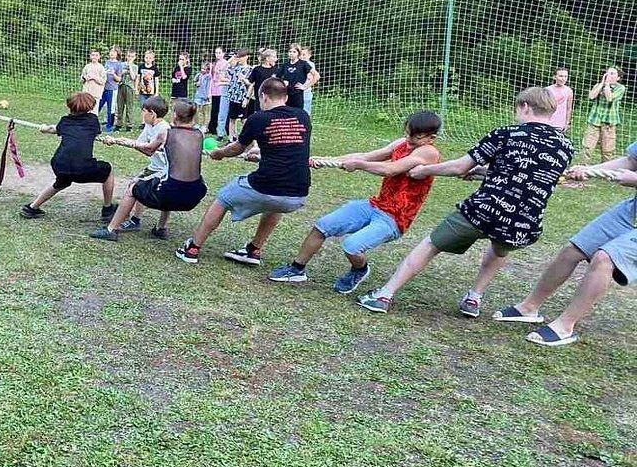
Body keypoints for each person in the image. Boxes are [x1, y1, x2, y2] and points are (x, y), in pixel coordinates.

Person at [357, 87, 574, 317]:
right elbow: (524, 173)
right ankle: (474, 298)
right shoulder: (566, 146)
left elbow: (460, 167)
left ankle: (384, 295)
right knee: (499, 251)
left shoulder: (506, 133)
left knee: (431, 245)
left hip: (483, 211)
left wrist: (425, 170)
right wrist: (480, 171)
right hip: (523, 223)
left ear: (525, 107)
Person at [268, 111, 443, 293]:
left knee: (351, 246)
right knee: (322, 226)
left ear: (431, 137)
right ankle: (297, 269)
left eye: (417, 137)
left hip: (394, 219)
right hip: (376, 205)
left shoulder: (429, 152)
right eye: (407, 133)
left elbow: (390, 169)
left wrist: (359, 165)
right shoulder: (402, 143)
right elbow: (365, 156)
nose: (409, 139)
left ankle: (360, 269)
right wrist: (328, 160)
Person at [491, 144, 637, 347]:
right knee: (573, 250)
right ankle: (529, 308)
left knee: (604, 258)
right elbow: (631, 161)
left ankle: (565, 326)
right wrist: (590, 170)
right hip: (632, 212)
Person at [176, 78, 310, 266]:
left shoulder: (258, 118)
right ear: (285, 98)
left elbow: (237, 148)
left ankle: (192, 248)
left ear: (263, 96)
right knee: (276, 205)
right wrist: (261, 152)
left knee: (223, 198)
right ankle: (253, 250)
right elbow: (287, 147)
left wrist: (219, 153)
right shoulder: (303, 116)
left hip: (266, 187)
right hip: (298, 194)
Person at [92, 99, 207, 241]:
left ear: (175, 115)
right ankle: (160, 228)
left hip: (170, 188)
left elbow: (149, 150)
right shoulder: (200, 134)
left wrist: (126, 141)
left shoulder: (166, 133)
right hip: (196, 192)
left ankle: (111, 229)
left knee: (133, 188)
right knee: (168, 181)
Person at [20, 91, 116, 221]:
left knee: (62, 181)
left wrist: (44, 128)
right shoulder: (92, 120)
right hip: (81, 168)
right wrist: (108, 140)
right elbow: (94, 132)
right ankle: (107, 209)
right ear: (90, 107)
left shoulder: (64, 121)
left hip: (59, 164)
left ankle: (32, 208)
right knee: (108, 169)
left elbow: (55, 129)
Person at [100, 95, 170, 232]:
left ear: (152, 114)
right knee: (136, 187)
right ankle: (137, 220)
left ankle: (156, 226)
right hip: (154, 167)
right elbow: (140, 145)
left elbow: (148, 150)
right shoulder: (149, 126)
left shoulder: (164, 129)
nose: (142, 115)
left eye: (144, 111)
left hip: (165, 170)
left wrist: (127, 142)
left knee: (136, 187)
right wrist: (119, 141)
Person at [581, 66, 625, 164]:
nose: (608, 75)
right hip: (594, 120)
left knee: (608, 150)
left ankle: (606, 170)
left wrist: (607, 85)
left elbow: (609, 98)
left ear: (618, 78)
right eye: (607, 73)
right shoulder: (598, 85)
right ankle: (583, 168)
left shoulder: (620, 88)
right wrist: (602, 84)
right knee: (587, 147)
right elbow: (591, 96)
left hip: (609, 123)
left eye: (612, 73)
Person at [224, 49, 253, 141]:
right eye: (238, 57)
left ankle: (247, 139)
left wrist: (246, 98)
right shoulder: (235, 68)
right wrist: (231, 59)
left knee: (243, 119)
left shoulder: (250, 69)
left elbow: (250, 85)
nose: (239, 59)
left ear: (246, 57)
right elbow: (223, 69)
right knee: (231, 119)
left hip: (242, 98)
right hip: (233, 97)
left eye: (241, 57)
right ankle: (231, 139)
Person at [280, 44, 317, 111]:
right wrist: (282, 82)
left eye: (294, 52)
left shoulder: (303, 64)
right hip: (286, 95)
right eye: (290, 51)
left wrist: (305, 87)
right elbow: (277, 77)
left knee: (300, 114)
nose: (291, 53)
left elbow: (316, 76)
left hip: (298, 95)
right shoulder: (285, 65)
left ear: (298, 53)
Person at [246, 49, 279, 117]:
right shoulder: (257, 69)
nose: (276, 59)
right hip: (260, 99)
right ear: (267, 58)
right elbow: (250, 83)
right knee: (260, 117)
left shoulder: (276, 70)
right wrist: (243, 80)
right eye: (274, 57)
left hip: (273, 99)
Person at [100, 46, 124, 132]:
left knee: (111, 108)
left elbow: (119, 79)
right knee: (99, 105)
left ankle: (110, 126)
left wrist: (113, 74)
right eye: (111, 51)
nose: (112, 53)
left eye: (114, 52)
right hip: (104, 88)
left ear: (117, 54)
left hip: (112, 89)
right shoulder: (107, 62)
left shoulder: (118, 64)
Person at [117, 49, 140, 132]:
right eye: (129, 56)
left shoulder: (135, 67)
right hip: (121, 86)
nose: (130, 58)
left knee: (129, 107)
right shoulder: (121, 64)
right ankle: (118, 124)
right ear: (126, 56)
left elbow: (133, 77)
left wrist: (130, 67)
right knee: (120, 106)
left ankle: (129, 125)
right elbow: (119, 74)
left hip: (130, 87)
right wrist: (124, 72)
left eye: (132, 57)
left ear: (135, 57)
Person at [207, 47, 229, 137]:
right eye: (216, 53)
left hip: (221, 89)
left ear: (223, 54)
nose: (218, 55)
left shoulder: (226, 63)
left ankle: (224, 129)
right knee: (214, 110)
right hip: (214, 89)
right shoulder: (214, 64)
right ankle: (212, 128)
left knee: (222, 111)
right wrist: (209, 91)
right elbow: (211, 78)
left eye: (219, 53)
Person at [545, 67, 573, 134]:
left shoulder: (569, 91)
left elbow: (569, 108)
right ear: (554, 77)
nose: (563, 78)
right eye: (561, 76)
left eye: (565, 76)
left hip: (560, 124)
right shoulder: (547, 90)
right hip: (547, 122)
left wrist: (567, 123)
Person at [300, 46, 319, 116]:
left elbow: (312, 77)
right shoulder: (298, 64)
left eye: (304, 55)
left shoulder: (310, 64)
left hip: (306, 93)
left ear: (309, 55)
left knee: (306, 113)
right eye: (300, 55)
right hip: (297, 93)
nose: (301, 57)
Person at [193, 61, 212, 130]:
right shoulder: (199, 75)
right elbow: (194, 82)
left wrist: (208, 95)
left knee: (205, 111)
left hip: (206, 96)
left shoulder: (208, 76)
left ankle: (204, 125)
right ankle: (197, 124)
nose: (202, 70)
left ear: (207, 70)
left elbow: (210, 76)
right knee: (197, 110)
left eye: (204, 69)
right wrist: (196, 84)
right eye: (201, 68)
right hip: (198, 95)